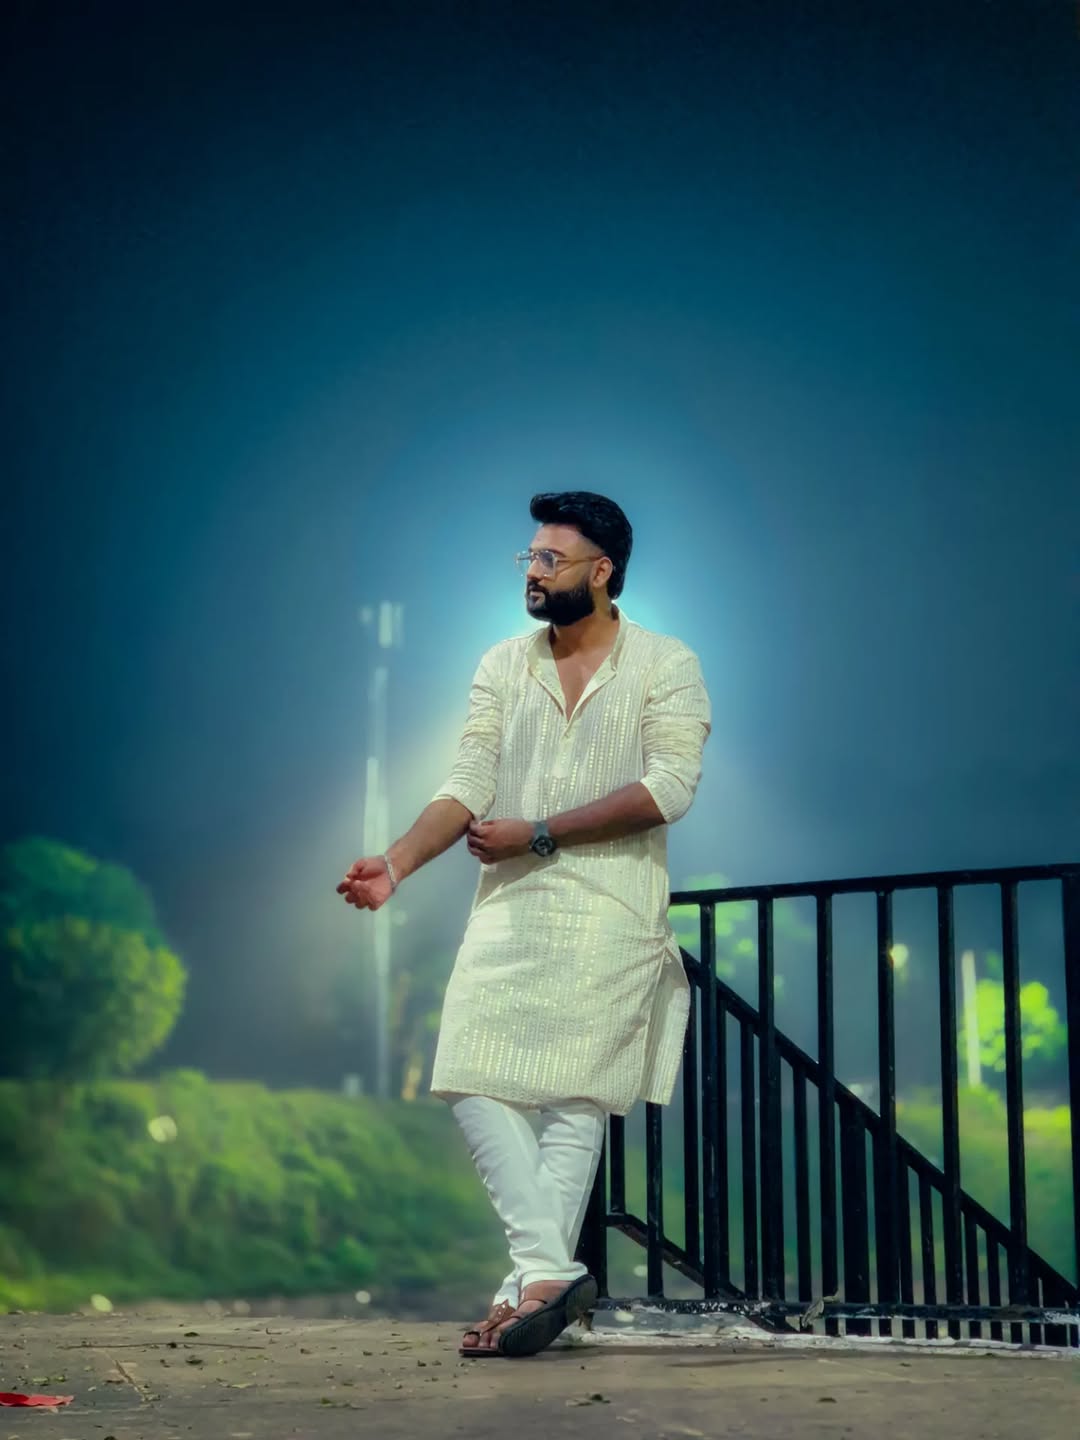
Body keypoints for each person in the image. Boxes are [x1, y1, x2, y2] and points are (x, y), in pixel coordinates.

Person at [337, 491, 711, 1358]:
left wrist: (539, 832)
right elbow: (468, 781)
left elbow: (668, 789)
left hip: (613, 909)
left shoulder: (667, 663)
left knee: (576, 1105)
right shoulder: (505, 664)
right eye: (529, 559)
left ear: (601, 571)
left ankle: (523, 1297)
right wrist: (397, 862)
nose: (533, 573)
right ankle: (549, 1272)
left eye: (551, 559)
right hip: (509, 906)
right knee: (468, 1071)